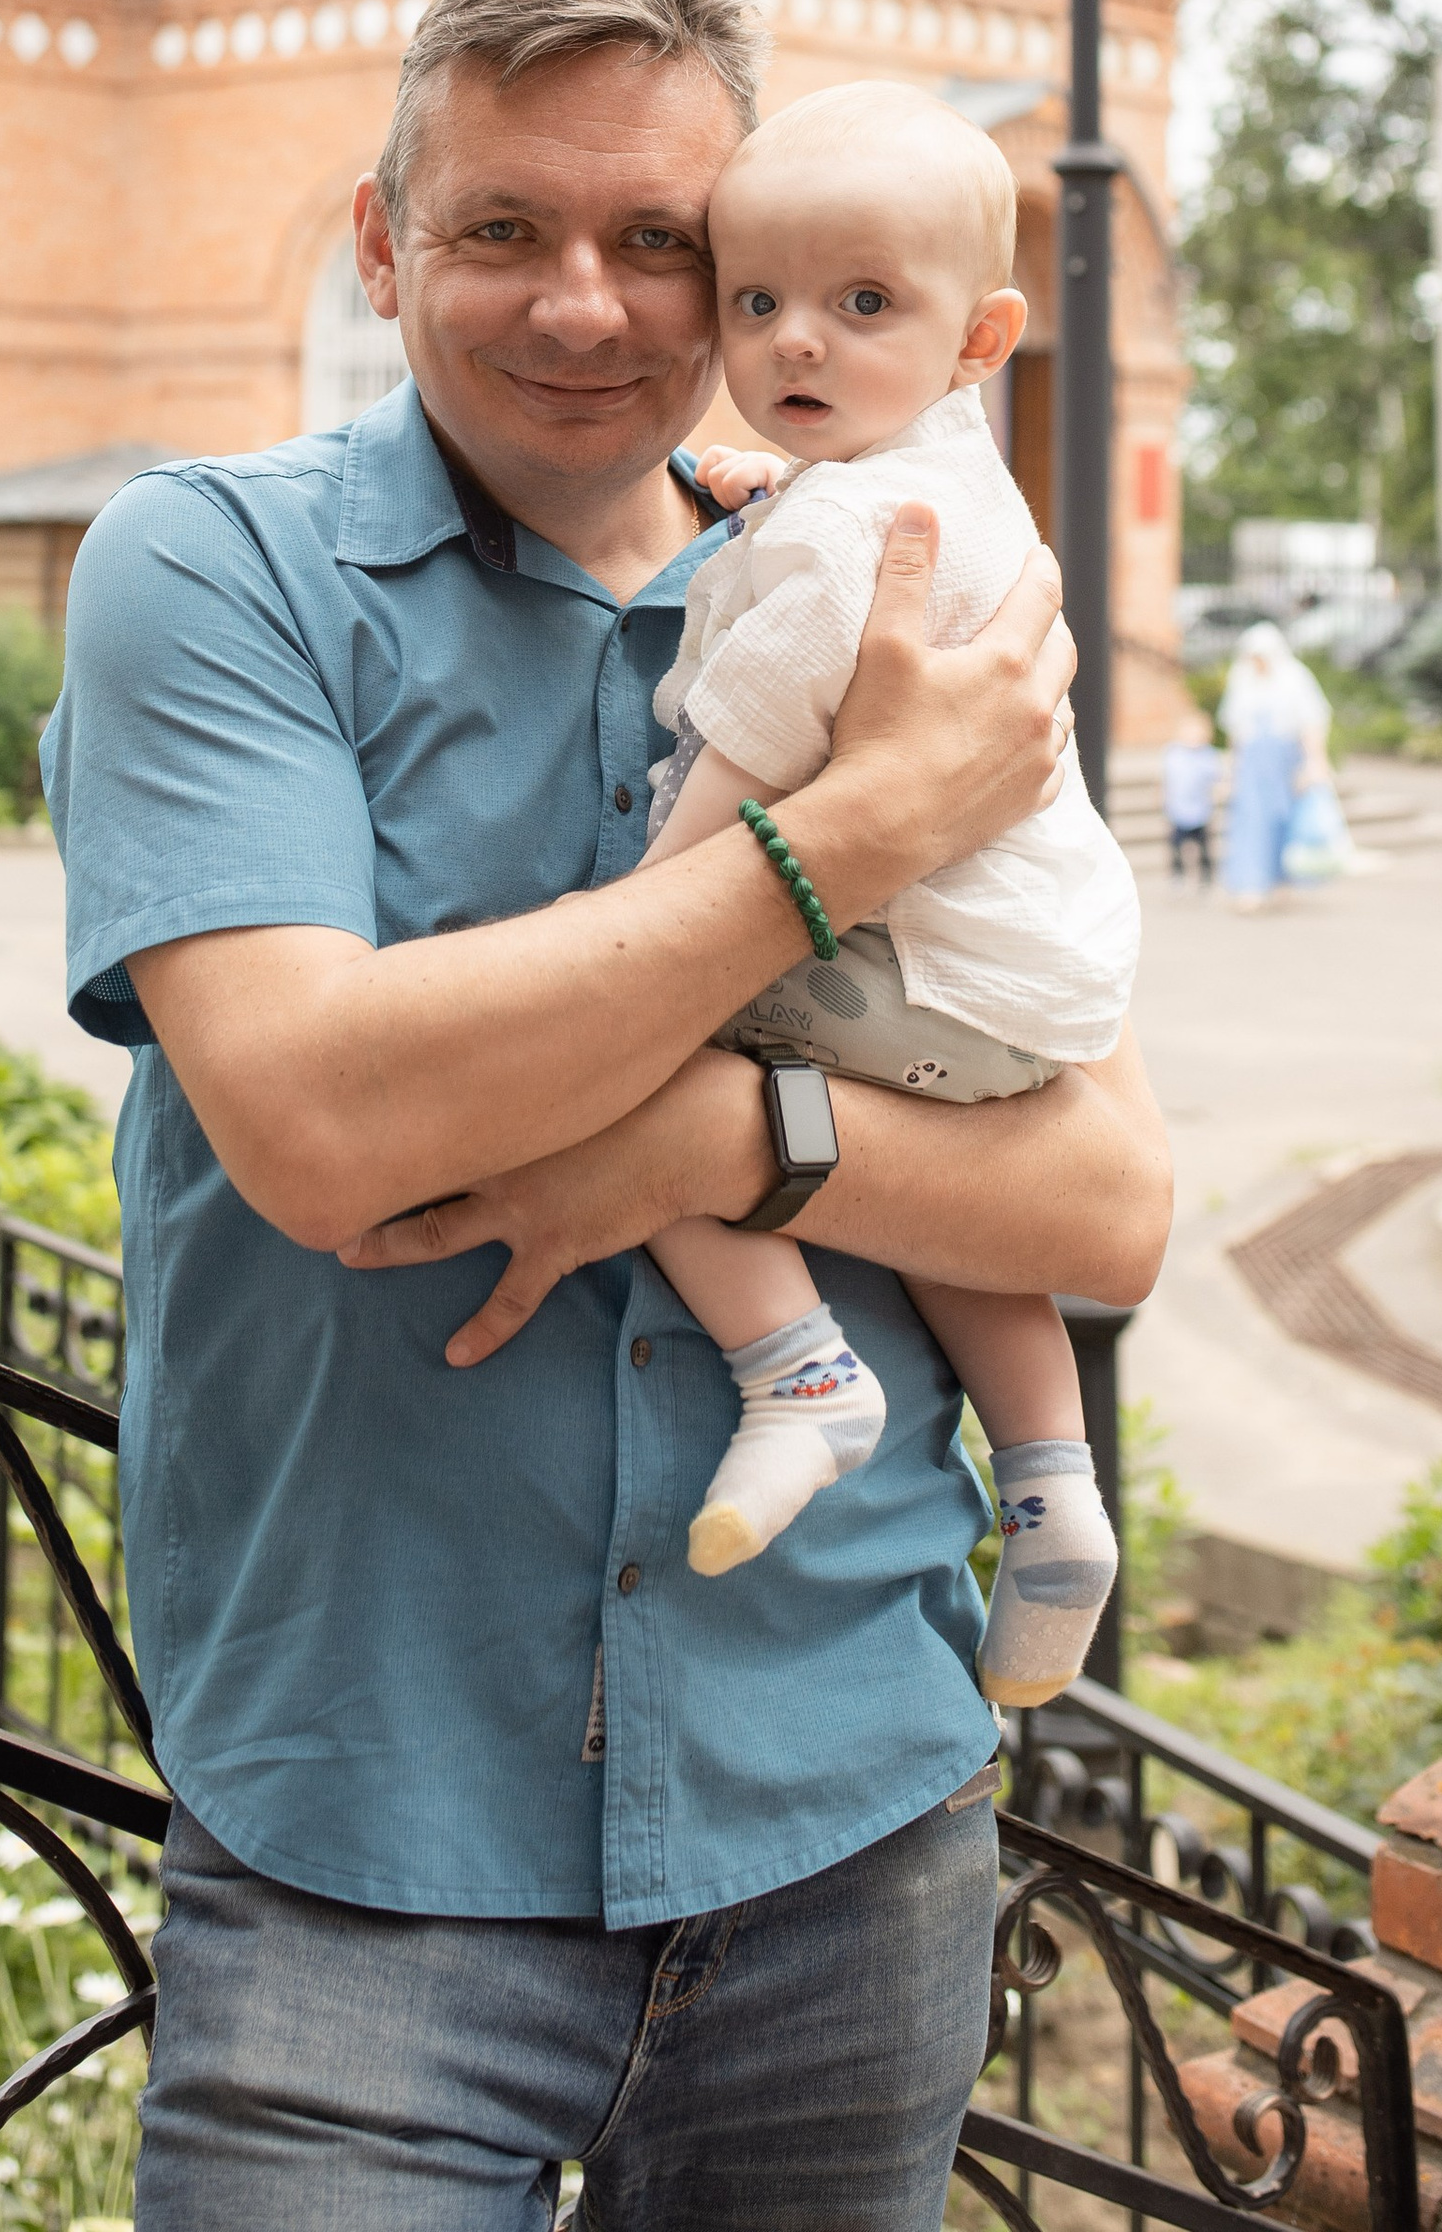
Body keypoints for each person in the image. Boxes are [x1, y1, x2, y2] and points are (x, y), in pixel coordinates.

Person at [41, 0, 1172, 2232]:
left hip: (847, 1815)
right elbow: (329, 1124)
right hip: (372, 1843)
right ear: (381, 241)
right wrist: (845, 832)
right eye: (499, 229)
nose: (586, 305)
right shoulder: (215, 569)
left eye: (655, 239)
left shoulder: (876, 568)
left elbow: (1104, 1202)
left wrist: (689, 1132)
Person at [597, 83, 1139, 1708]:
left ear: (981, 334)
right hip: (1028, 993)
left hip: (913, 972)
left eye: (861, 305)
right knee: (955, 1207)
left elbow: (742, 772)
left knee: (615, 1063)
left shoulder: (841, 539)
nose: (796, 349)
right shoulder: (945, 477)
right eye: (757, 303)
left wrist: (624, 945)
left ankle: (799, 1371)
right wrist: (774, 504)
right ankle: (1050, 1483)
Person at [1217, 621, 1330, 910]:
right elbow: (1235, 730)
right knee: (1251, 822)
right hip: (1253, 765)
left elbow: (1311, 723)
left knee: (1285, 821)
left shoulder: (1294, 678)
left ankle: (1283, 882)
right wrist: (1231, 770)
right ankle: (1252, 885)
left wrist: (1314, 763)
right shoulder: (1242, 679)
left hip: (1285, 761)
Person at [1161, 708, 1225, 885]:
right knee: (1176, 845)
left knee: (1203, 846)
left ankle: (1206, 874)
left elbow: (1216, 778)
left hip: (1201, 810)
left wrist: (1218, 791)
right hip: (1178, 809)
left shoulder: (1208, 756)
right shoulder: (1173, 754)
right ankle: (1177, 874)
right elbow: (1167, 780)